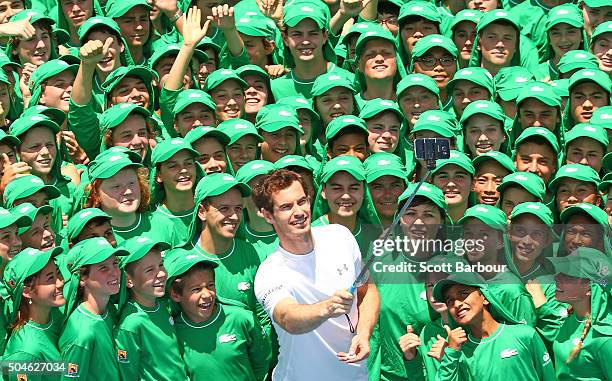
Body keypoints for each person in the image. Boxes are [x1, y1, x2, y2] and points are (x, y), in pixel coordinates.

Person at [253, 169, 380, 381]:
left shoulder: (340, 236)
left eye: (301, 201)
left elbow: (368, 290)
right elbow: (288, 317)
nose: (299, 211)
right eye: (286, 207)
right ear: (268, 215)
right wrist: (327, 308)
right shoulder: (270, 272)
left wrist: (364, 333)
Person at [167, 248, 272, 381]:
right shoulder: (174, 332)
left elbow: (262, 360)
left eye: (210, 285)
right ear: (176, 295)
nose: (206, 294)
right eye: (196, 289)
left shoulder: (241, 318)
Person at [432, 272, 557, 381]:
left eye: (463, 293)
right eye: (450, 301)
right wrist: (451, 354)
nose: (457, 304)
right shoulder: (459, 352)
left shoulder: (525, 335)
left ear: (485, 297)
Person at [114, 235, 188, 380]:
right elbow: (127, 374)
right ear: (129, 280)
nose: (161, 274)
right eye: (149, 270)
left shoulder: (164, 305)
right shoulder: (131, 324)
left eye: (161, 265)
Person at [59, 237, 127, 381]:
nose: (115, 272)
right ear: (82, 278)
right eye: (103, 268)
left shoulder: (110, 310)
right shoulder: (81, 335)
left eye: (115, 263)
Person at [1, 246, 64, 381]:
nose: (60, 282)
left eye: (58, 273)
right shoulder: (25, 354)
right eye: (50, 278)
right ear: (27, 291)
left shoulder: (55, 314)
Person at [548, 247, 612, 380]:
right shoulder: (572, 317)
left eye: (569, 275)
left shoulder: (605, 339)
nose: (557, 277)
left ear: (589, 288)